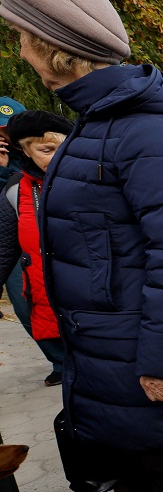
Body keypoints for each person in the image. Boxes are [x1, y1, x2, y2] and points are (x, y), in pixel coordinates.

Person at [1, 0, 163, 492]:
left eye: (24, 36)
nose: (19, 48)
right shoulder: (96, 123)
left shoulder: (147, 131)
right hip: (106, 347)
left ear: (54, 50)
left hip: (140, 354)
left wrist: (162, 360)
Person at [0, 110, 72, 387]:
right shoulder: (17, 190)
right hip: (38, 273)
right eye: (44, 150)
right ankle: (61, 363)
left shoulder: (98, 178)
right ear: (26, 152)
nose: (57, 156)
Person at [0, 96, 27, 324]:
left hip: (36, 240)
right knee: (24, 307)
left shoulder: (37, 151)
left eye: (9, 128)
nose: (5, 135)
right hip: (10, 245)